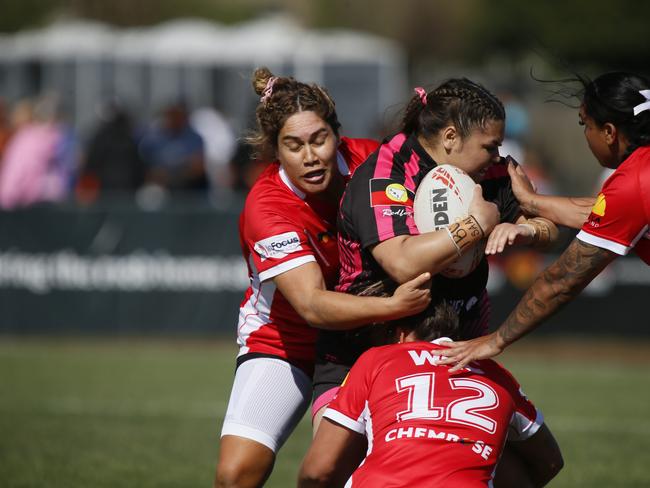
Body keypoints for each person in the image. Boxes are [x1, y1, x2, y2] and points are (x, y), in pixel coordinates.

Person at [214, 68, 431, 488]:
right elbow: (312, 305)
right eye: (293, 146)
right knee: (234, 475)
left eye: (319, 139)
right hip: (286, 340)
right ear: (275, 151)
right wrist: (393, 305)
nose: (310, 156)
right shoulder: (268, 207)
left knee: (344, 472)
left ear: (337, 134)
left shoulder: (375, 163)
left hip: (370, 339)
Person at [313, 78, 559, 425]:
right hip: (363, 348)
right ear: (450, 138)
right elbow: (401, 263)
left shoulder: (493, 172)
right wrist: (475, 224)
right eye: (490, 146)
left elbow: (549, 229)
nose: (498, 156)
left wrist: (524, 230)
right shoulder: (389, 172)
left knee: (509, 465)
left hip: (456, 347)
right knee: (329, 472)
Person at [439, 71, 650, 370]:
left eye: (584, 124)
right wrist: (532, 201)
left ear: (610, 132)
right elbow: (605, 212)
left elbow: (562, 280)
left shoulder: (635, 181)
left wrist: (497, 339)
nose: (585, 135)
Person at [299, 293, 563, 487]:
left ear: (400, 335)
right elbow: (550, 462)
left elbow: (318, 471)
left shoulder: (377, 358)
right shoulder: (497, 375)